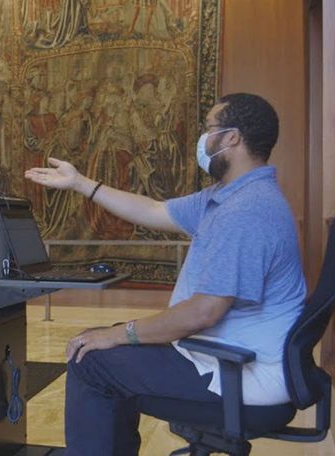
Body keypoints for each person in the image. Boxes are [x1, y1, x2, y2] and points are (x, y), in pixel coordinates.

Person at [24, 93, 306, 455]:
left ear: (232, 138)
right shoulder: (227, 197)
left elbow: (204, 311)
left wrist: (122, 334)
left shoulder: (247, 211)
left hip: (240, 378)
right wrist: (82, 183)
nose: (202, 140)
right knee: (102, 344)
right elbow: (155, 210)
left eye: (209, 129)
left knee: (91, 363)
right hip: (222, 358)